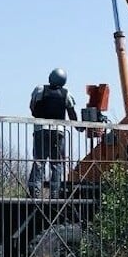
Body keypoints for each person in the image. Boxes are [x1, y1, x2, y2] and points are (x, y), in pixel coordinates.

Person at [27, 68, 79, 199]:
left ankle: (36, 193)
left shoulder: (39, 90)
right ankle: (55, 193)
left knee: (39, 162)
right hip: (59, 132)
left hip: (41, 130)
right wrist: (79, 127)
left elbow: (32, 108)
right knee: (56, 164)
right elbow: (72, 113)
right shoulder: (66, 94)